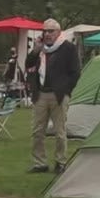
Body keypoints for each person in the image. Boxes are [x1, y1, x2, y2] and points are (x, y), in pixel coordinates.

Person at [26, 19, 80, 173]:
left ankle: (60, 161)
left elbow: (75, 72)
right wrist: (35, 50)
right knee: (37, 131)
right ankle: (40, 162)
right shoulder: (40, 49)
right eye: (45, 31)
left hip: (59, 94)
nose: (47, 34)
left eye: (51, 31)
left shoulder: (68, 48)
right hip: (41, 94)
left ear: (58, 32)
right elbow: (28, 64)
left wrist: (66, 90)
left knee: (59, 131)